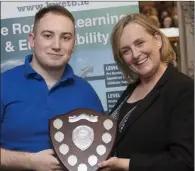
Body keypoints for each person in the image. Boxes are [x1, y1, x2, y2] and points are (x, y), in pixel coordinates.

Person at [0, 5, 104, 171]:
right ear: (32, 40)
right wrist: (28, 161)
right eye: (48, 35)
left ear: (74, 44)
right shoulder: (4, 84)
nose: (57, 45)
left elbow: (101, 154)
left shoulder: (87, 93)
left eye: (65, 37)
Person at [98, 14, 194, 171]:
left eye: (140, 43)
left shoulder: (183, 89)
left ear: (157, 39)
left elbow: (184, 161)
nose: (135, 54)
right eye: (126, 51)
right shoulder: (132, 89)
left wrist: (125, 164)